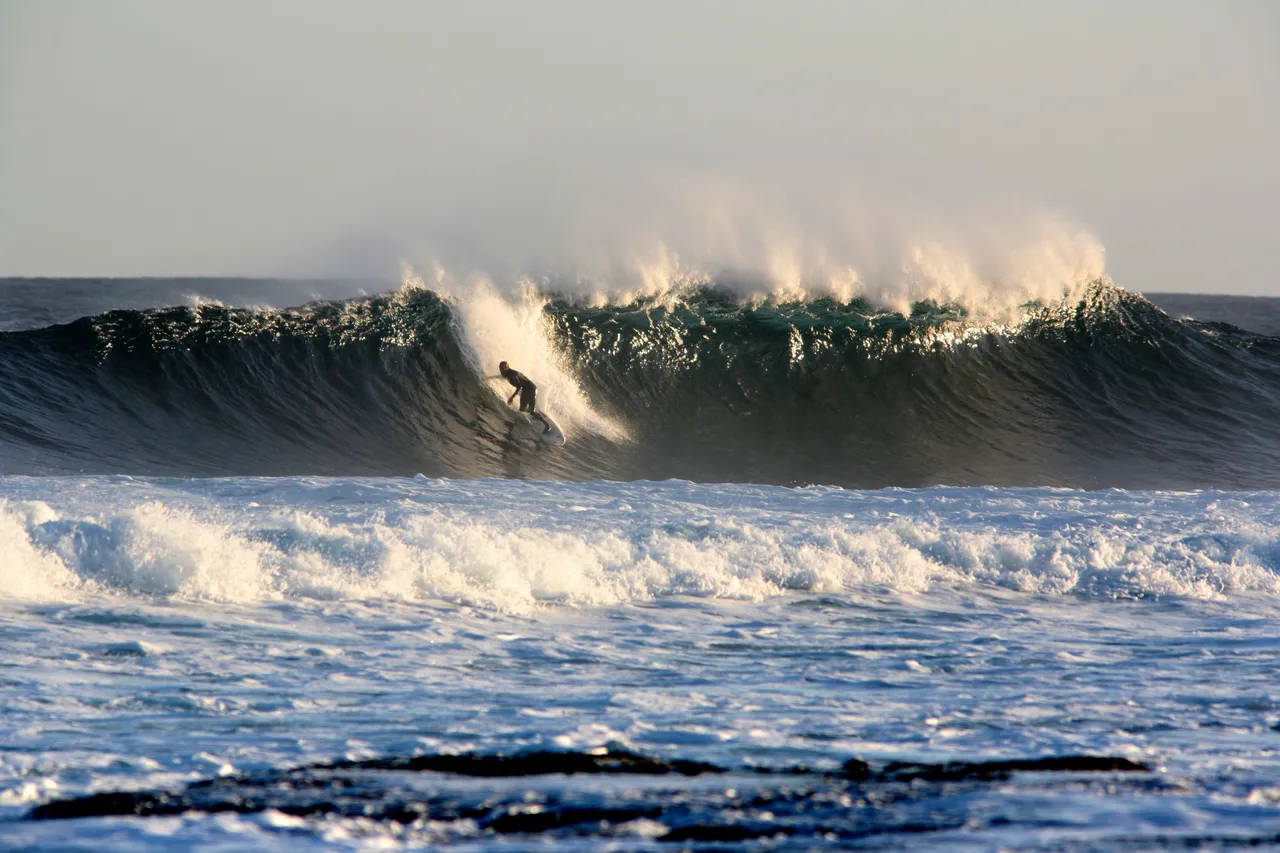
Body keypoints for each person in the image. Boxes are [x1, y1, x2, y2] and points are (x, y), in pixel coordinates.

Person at [495, 361, 550, 432]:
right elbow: (503, 377)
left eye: (502, 368)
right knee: (524, 410)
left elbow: (519, 387)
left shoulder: (512, 375)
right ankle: (536, 414)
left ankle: (546, 424)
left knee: (523, 410)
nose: (501, 369)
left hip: (528, 390)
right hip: (531, 388)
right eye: (500, 368)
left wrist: (512, 397)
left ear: (507, 367)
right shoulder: (508, 373)